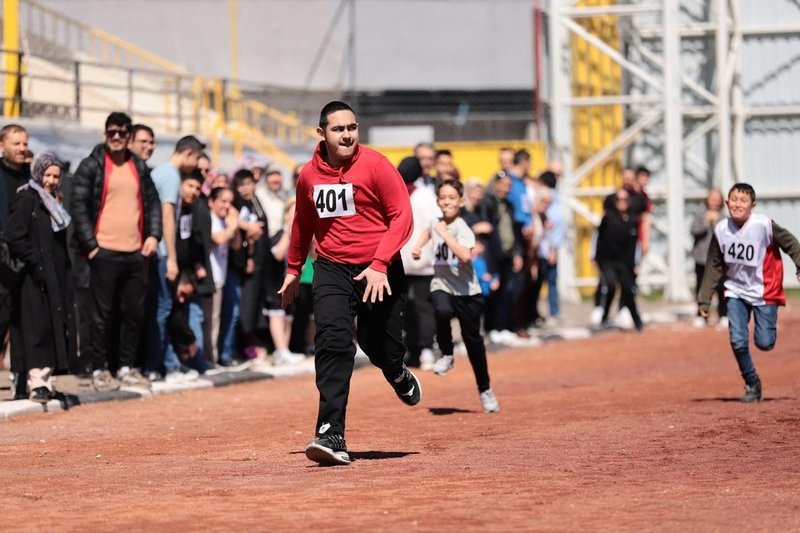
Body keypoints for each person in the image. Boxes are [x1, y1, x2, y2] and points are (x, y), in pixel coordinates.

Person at [278, 100, 419, 466]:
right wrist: (294, 269)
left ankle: (396, 370)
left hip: (380, 267)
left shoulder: (377, 166)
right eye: (338, 129)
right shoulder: (309, 175)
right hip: (332, 267)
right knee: (334, 340)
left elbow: (402, 216)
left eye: (352, 128)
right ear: (321, 133)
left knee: (379, 346)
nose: (347, 135)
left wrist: (379, 263)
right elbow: (302, 224)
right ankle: (331, 432)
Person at [70, 111, 162, 391]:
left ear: (129, 136)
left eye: (123, 132)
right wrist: (92, 246)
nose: (118, 137)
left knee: (133, 313)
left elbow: (153, 202)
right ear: (105, 134)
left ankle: (126, 367)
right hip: (104, 252)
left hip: (135, 252)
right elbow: (78, 206)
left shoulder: (139, 166)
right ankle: (99, 369)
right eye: (113, 132)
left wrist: (153, 236)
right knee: (100, 316)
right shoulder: (91, 164)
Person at [698, 183, 800, 403]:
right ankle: (752, 382)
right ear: (727, 203)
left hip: (765, 290)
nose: (737, 204)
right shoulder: (721, 229)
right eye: (733, 199)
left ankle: (765, 333)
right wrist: (704, 299)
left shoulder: (763, 225)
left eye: (743, 200)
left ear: (752, 205)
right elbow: (714, 264)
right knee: (737, 341)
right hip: (736, 290)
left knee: (764, 342)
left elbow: (790, 243)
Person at [411, 179, 499, 413]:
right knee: (440, 309)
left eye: (451, 198)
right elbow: (427, 231)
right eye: (443, 198)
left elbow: (466, 256)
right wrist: (418, 247)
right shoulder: (436, 222)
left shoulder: (462, 227)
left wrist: (446, 236)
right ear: (437, 201)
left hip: (467, 292)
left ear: (461, 201)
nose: (446, 202)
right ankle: (447, 353)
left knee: (474, 345)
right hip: (442, 283)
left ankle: (485, 389)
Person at [5, 154, 77, 402]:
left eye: (56, 176)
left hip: (52, 276)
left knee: (50, 326)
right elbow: (13, 237)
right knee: (35, 328)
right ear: (38, 174)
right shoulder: (27, 198)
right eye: (47, 175)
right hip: (31, 279)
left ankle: (44, 381)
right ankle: (36, 383)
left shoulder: (53, 202)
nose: (51, 181)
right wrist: (35, 261)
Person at [147, 135, 206, 381]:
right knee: (163, 310)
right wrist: (171, 257)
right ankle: (161, 366)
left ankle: (167, 363)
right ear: (188, 153)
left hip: (158, 251)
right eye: (196, 160)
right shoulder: (171, 176)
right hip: (161, 253)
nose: (195, 167)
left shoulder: (161, 172)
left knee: (164, 309)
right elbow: (167, 217)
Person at [398, 156, 438, 370]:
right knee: (424, 307)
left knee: (404, 308)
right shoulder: (425, 195)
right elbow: (436, 224)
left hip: (399, 259)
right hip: (423, 258)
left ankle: (412, 349)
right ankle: (425, 350)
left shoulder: (396, 193)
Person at [0, 124, 31, 364]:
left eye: (25, 143)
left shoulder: (32, 177)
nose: (22, 148)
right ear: (2, 146)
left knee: (22, 319)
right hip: (2, 257)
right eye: (16, 143)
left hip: (25, 256)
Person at [594, 189, 643, 332]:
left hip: (625, 262)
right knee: (610, 285)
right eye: (619, 200)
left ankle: (637, 321)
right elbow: (597, 238)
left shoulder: (633, 220)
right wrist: (595, 257)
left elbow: (636, 245)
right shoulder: (608, 218)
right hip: (608, 260)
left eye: (625, 200)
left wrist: (636, 263)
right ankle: (604, 316)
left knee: (628, 290)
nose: (622, 203)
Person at [207, 186, 241, 366]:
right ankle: (210, 360)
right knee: (211, 320)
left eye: (230, 202)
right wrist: (234, 225)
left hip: (221, 276)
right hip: (211, 277)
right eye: (223, 201)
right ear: (212, 201)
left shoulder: (224, 221)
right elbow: (219, 239)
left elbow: (235, 245)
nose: (227, 206)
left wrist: (232, 224)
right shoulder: (210, 219)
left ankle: (215, 357)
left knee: (217, 319)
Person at [691, 188, 727, 328]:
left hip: (719, 260)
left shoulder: (724, 218)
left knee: (721, 288)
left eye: (717, 199)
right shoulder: (699, 215)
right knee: (701, 288)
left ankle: (723, 315)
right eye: (712, 199)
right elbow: (693, 231)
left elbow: (728, 235)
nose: (714, 202)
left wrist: (717, 222)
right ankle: (701, 315)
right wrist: (706, 223)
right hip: (701, 258)